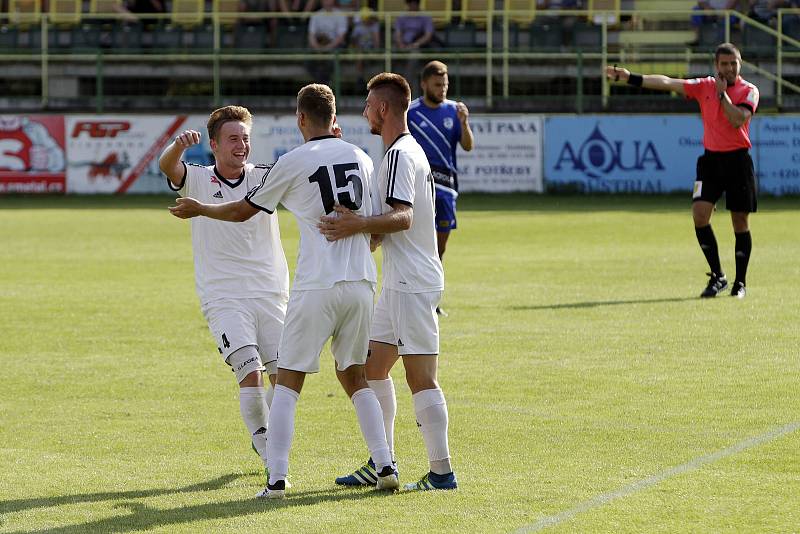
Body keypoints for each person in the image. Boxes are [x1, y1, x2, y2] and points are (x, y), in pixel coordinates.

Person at [168, 84, 398, 499]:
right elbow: (379, 224)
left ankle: (275, 479)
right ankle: (385, 463)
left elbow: (242, 210)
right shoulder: (362, 157)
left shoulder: (292, 162)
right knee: (354, 375)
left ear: (300, 119)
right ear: (335, 118)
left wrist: (200, 208)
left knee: (287, 383)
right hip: (362, 283)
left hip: (315, 287)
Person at [319, 72, 457, 491]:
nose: (364, 113)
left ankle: (441, 471)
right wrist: (365, 229)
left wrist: (359, 224)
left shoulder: (399, 155)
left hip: (412, 283)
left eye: (366, 106)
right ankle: (384, 461)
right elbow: (386, 227)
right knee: (371, 368)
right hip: (399, 282)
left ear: (382, 109)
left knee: (422, 378)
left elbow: (403, 217)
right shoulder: (400, 153)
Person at [158, 106, 290, 484]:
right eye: (233, 138)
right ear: (214, 145)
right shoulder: (197, 179)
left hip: (270, 293)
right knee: (250, 371)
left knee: (283, 378)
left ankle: (270, 443)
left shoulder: (266, 177)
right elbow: (169, 167)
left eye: (245, 137)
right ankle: (266, 446)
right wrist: (177, 145)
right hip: (224, 295)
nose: (242, 145)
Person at [606, 43, 759, 299]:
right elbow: (668, 82)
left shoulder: (749, 90)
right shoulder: (705, 86)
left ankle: (740, 283)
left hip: (738, 162)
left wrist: (723, 96)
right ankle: (718, 275)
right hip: (710, 161)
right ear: (716, 65)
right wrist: (631, 77)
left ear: (740, 64)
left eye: (734, 63)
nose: (730, 68)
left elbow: (736, 119)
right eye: (724, 64)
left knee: (740, 222)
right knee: (700, 215)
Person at [408, 60, 473, 316]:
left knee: (439, 248)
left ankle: (433, 300)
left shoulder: (454, 111)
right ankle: (415, 297)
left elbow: (467, 146)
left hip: (446, 187)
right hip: (419, 186)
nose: (442, 89)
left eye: (445, 84)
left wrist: (465, 123)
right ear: (424, 84)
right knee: (416, 244)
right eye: (437, 85)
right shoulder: (411, 112)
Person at [307, 0, 349, 85]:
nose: (328, 2)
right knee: (308, 60)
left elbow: (341, 37)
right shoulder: (316, 15)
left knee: (331, 60)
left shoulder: (340, 15)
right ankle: (323, 84)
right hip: (319, 45)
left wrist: (328, 47)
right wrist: (317, 48)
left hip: (335, 45)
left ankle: (323, 84)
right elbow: (311, 35)